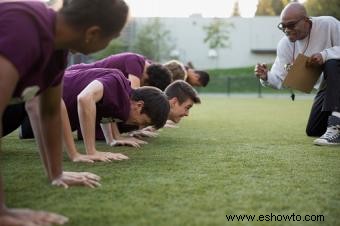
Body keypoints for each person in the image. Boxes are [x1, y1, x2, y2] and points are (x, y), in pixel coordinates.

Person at [0, 0, 129, 225]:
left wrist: (56, 173)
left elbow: (49, 112)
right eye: (112, 38)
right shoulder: (24, 26)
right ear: (93, 33)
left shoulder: (57, 53)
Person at [254, 2, 340, 146]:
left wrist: (325, 55)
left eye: (291, 25)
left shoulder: (328, 24)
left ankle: (336, 126)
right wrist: (266, 76)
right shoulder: (285, 45)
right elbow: (280, 78)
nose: (287, 30)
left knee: (332, 62)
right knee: (314, 129)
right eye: (283, 26)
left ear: (306, 21)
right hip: (327, 88)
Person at [60, 68, 170, 163]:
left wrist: (111, 139)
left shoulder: (122, 102)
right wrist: (91, 151)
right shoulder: (116, 80)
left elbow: (105, 109)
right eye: (145, 122)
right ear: (139, 105)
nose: (141, 127)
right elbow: (85, 98)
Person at [67, 52, 172, 90]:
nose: (142, 85)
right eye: (144, 83)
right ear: (148, 78)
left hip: (81, 79)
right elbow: (134, 93)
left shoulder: (145, 63)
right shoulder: (135, 61)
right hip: (75, 75)